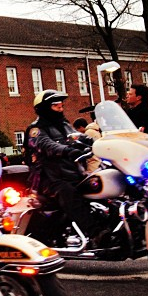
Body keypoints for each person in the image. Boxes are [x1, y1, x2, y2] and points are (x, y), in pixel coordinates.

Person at [24, 90, 107, 248]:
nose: (60, 108)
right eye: (56, 105)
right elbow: (46, 145)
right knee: (67, 192)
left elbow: (80, 137)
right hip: (49, 178)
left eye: (61, 105)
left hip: (71, 174)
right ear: (44, 108)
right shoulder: (36, 129)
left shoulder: (65, 125)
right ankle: (95, 233)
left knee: (99, 184)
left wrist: (102, 143)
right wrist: (67, 150)